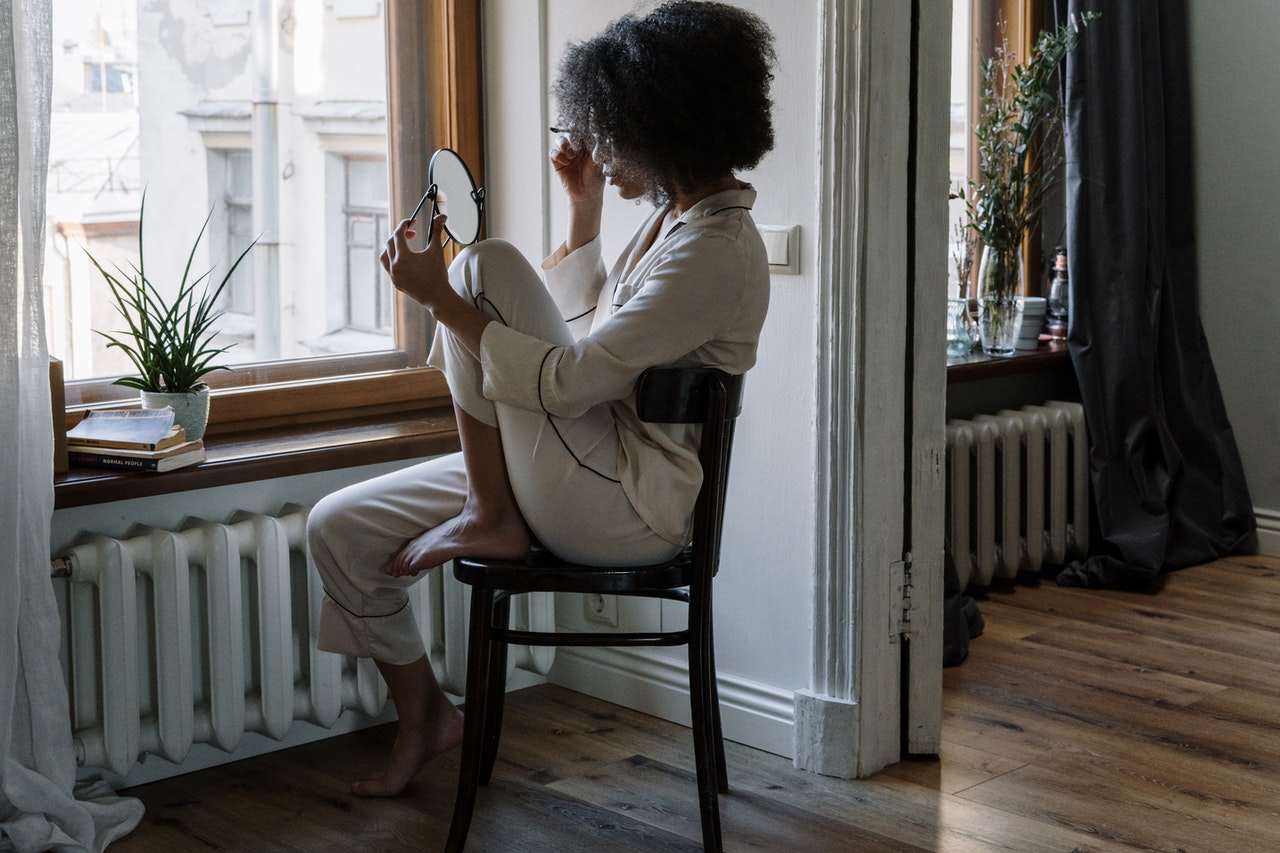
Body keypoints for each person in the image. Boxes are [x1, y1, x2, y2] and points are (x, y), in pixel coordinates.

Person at [307, 0, 776, 798]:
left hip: (623, 505)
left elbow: (568, 379)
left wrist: (439, 303)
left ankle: (490, 510)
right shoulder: (673, 222)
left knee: (479, 268)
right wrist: (585, 209)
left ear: (666, 123)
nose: (594, 144)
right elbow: (587, 333)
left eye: (608, 128)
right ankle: (426, 712)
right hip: (576, 462)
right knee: (339, 528)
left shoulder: (716, 252)